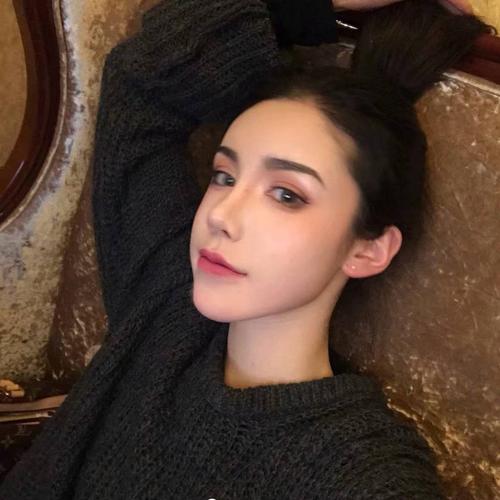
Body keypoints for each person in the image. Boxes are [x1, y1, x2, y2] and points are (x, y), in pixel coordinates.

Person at [0, 0, 490, 499]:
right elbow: (140, 77)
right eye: (225, 176)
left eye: (286, 195)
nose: (220, 215)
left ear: (368, 249)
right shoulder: (166, 301)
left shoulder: (357, 473)